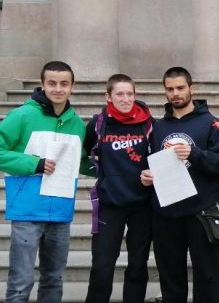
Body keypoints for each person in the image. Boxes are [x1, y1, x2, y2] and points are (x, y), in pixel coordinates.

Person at [140, 67, 219, 303]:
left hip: (200, 213)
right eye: (170, 89)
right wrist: (146, 175)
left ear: (192, 88)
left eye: (180, 88)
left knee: (208, 279)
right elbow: (146, 160)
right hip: (165, 214)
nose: (175, 93)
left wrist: (194, 153)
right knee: (171, 280)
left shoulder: (211, 124)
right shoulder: (157, 127)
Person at [0, 61, 86, 303]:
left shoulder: (77, 124)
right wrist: (34, 163)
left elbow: (80, 162)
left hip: (60, 211)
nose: (58, 89)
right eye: (52, 83)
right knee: (21, 281)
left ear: (72, 87)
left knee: (54, 278)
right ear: (43, 85)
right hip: (27, 209)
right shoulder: (22, 116)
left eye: (64, 84)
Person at [83, 74, 153, 303]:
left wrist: (153, 175)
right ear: (108, 97)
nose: (125, 99)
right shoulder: (98, 124)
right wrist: (104, 177)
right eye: (120, 94)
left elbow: (160, 158)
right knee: (102, 267)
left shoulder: (148, 123)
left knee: (138, 265)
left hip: (142, 205)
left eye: (130, 94)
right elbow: (85, 156)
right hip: (109, 204)